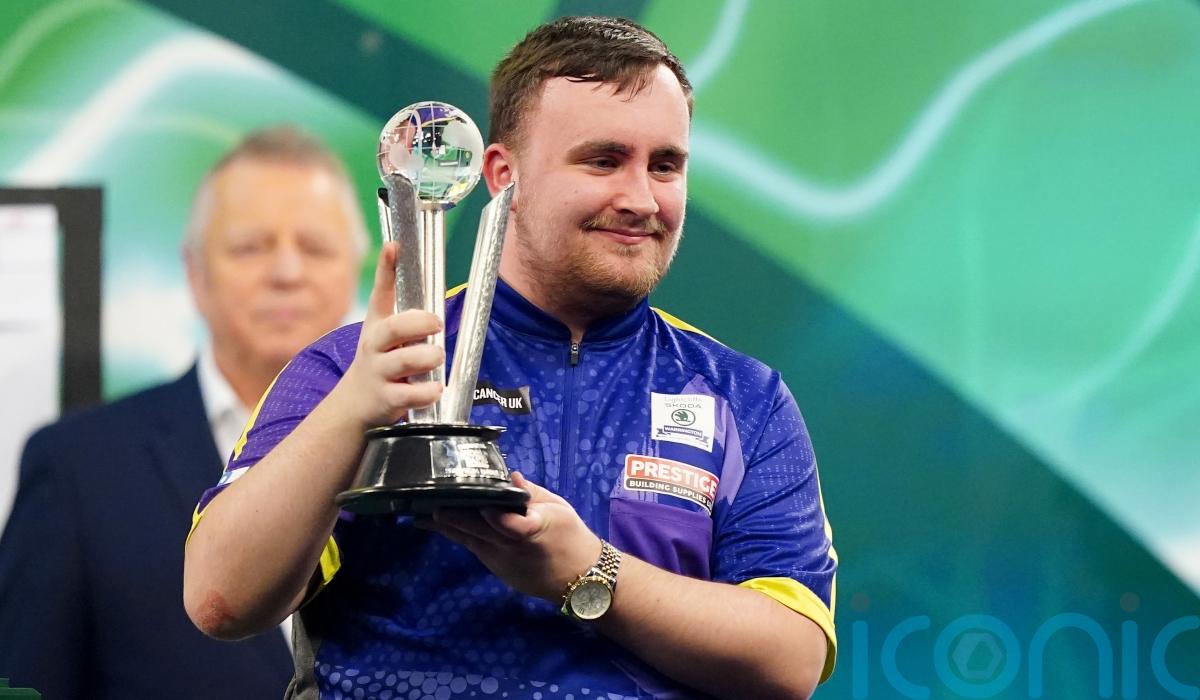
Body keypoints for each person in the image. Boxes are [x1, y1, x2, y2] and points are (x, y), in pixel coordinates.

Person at [185, 17, 836, 700]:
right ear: (503, 175)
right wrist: (353, 409)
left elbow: (790, 660)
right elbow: (220, 598)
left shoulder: (741, 397)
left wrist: (588, 572)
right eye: (603, 160)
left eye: (665, 165)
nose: (641, 198)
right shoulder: (358, 368)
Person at [0, 125, 367, 700]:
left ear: (356, 270)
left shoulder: (415, 451)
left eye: (316, 248)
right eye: (251, 247)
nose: (287, 272)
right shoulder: (78, 466)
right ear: (195, 273)